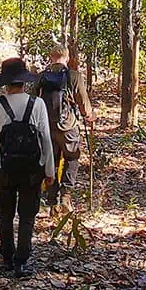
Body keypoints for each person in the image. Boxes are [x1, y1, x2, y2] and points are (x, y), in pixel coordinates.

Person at [0, 57, 54, 278]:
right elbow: (46, 140)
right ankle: (22, 260)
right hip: (32, 169)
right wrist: (49, 171)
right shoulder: (37, 104)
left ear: (5, 83)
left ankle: (7, 257)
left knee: (5, 213)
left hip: (3, 168)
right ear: (24, 82)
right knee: (27, 214)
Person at [29, 46, 95, 215]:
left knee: (51, 162)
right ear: (67, 58)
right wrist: (90, 115)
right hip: (68, 126)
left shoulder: (41, 77)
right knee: (72, 157)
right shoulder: (74, 76)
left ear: (51, 57)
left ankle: (52, 203)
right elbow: (83, 101)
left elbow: (33, 101)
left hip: (46, 127)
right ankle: (66, 195)